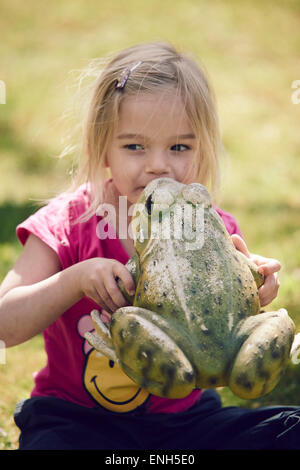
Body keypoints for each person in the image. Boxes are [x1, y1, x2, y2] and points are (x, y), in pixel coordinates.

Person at [0, 42, 299, 450]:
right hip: (78, 423)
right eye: (135, 146)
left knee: (289, 431)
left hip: (187, 424)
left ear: (202, 149)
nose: (158, 164)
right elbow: (5, 321)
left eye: (179, 147)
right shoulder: (68, 223)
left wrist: (255, 284)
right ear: (101, 147)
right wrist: (74, 279)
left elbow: (233, 319)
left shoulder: (209, 225)